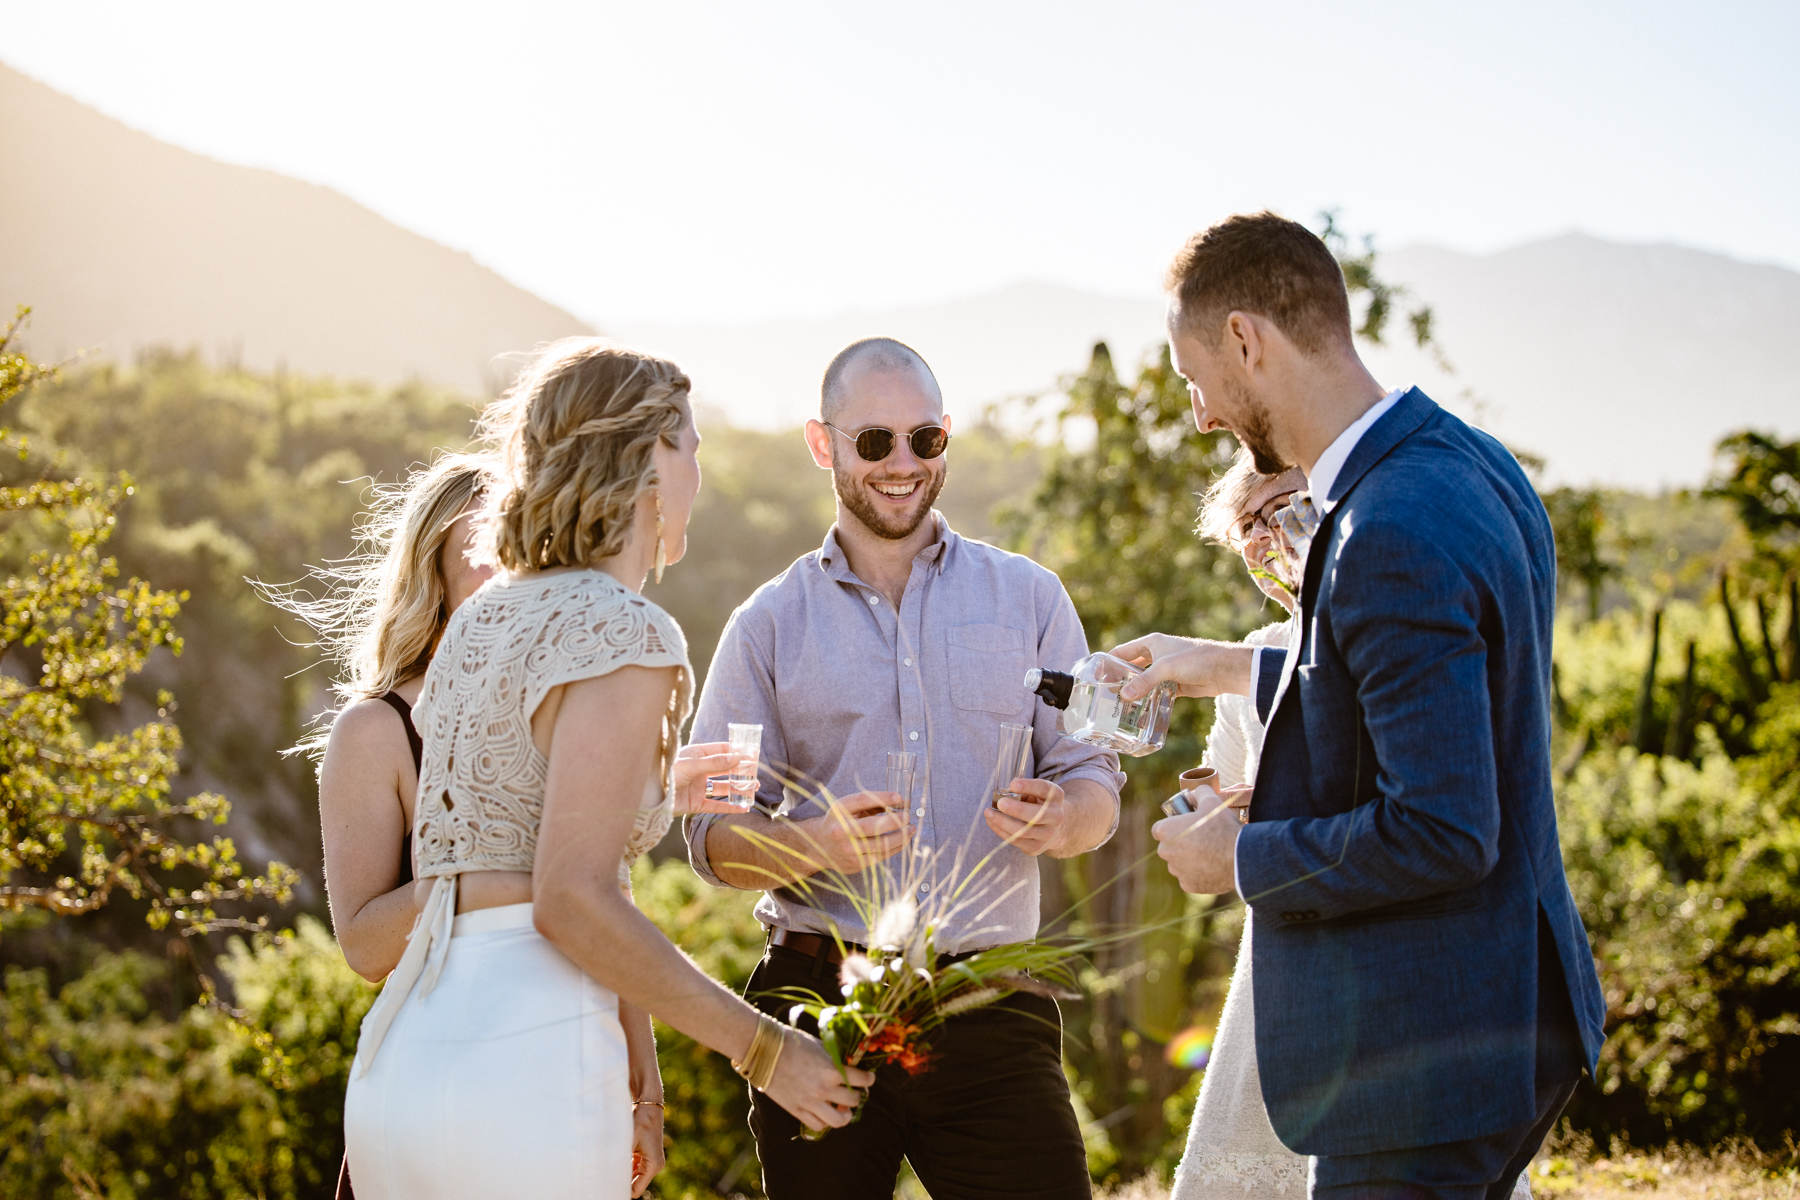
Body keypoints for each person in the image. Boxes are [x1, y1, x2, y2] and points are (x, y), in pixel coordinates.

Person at [1119, 212, 1606, 1200]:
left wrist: (1237, 858)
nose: (1203, 413)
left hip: (1422, 1054)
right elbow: (1396, 709)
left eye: (1192, 375)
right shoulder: (1472, 465)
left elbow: (1443, 827)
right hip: (1504, 1012)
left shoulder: (1385, 530)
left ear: (1248, 341)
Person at [341, 340, 870, 1200]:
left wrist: (644, 1087)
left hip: (407, 1059)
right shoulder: (626, 632)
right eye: (692, 446)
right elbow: (571, 899)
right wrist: (767, 1051)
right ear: (649, 456)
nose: (700, 470)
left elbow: (517, 861)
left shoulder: (482, 626)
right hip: (529, 1060)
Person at [683, 337, 1125, 1200]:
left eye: (924, 441)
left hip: (993, 1003)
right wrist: (815, 844)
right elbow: (709, 838)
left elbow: (1096, 778)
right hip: (820, 1014)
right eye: (874, 441)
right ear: (823, 445)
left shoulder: (1034, 598)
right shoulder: (761, 627)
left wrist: (1067, 817)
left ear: (946, 438)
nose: (902, 465)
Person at [1166, 451, 1535, 1199]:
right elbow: (1221, 779)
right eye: (1249, 531)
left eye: (1283, 511)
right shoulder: (1257, 657)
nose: (1268, 542)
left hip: (1394, 951)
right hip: (1284, 951)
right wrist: (1202, 812)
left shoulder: (1381, 621)